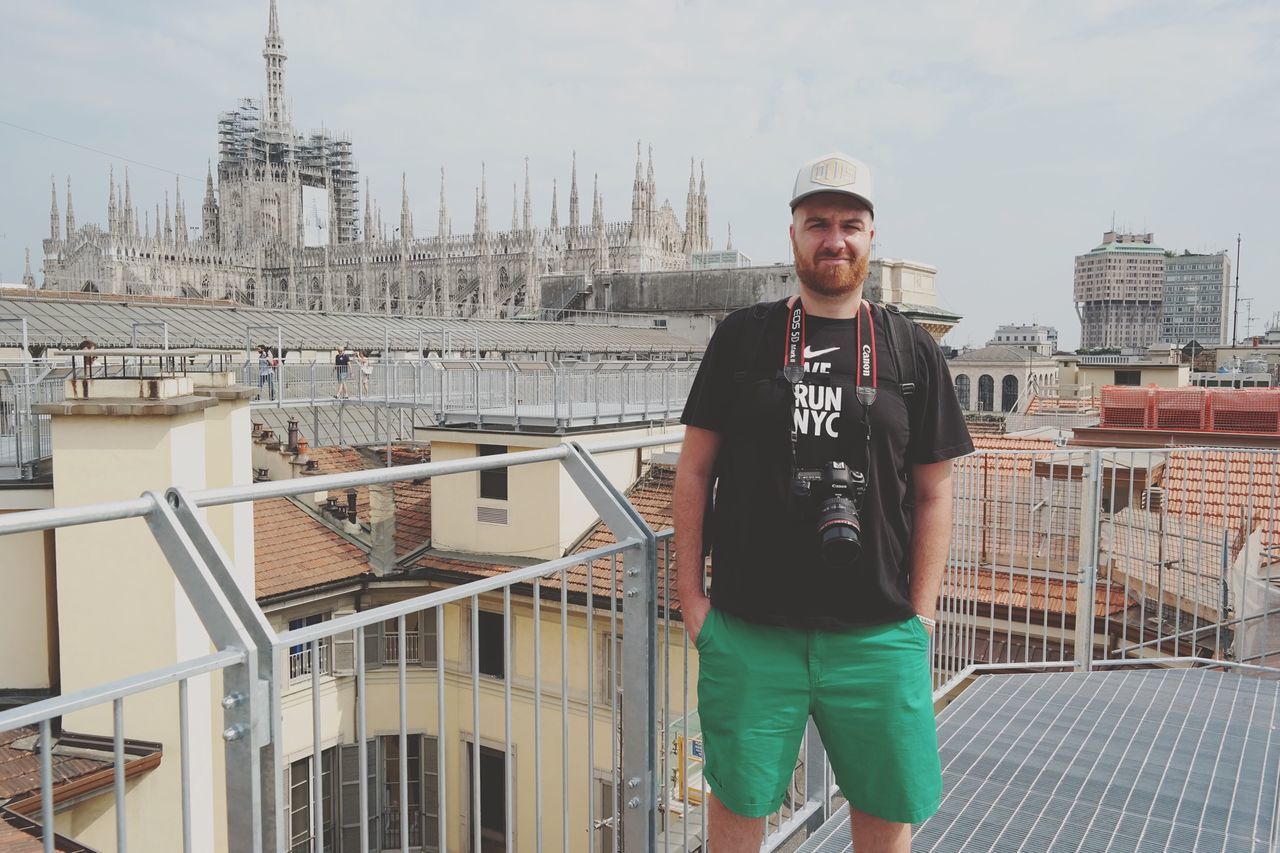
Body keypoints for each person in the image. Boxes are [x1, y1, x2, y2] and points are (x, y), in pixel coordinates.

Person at [674, 153, 973, 853]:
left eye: (849, 223)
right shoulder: (742, 338)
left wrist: (921, 617)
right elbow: (693, 473)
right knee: (736, 814)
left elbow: (935, 491)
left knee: (884, 818)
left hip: (878, 635)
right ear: (793, 235)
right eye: (818, 223)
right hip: (750, 633)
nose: (833, 238)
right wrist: (693, 601)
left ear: (871, 237)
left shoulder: (911, 350)